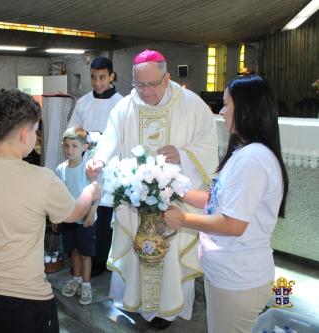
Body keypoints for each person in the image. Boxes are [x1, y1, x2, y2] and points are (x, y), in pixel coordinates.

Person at [0, 89, 100, 333]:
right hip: (23, 298)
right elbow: (74, 213)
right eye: (36, 131)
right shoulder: (41, 178)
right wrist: (91, 190)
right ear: (26, 134)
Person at [87, 49, 219, 329]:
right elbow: (110, 139)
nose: (144, 92)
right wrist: (98, 160)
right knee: (135, 255)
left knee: (169, 256)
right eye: (139, 85)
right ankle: (135, 302)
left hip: (174, 204)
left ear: (167, 77)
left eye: (151, 84)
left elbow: (209, 142)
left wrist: (183, 153)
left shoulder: (191, 104)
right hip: (135, 201)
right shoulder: (125, 106)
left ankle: (167, 310)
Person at [164, 75, 289, 333]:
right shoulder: (241, 152)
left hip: (239, 278)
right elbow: (214, 199)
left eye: (226, 104)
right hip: (226, 273)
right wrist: (175, 186)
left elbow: (233, 224)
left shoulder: (253, 159)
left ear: (246, 109)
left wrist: (183, 219)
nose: (221, 111)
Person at [68, 56, 123, 276]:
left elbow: (123, 134)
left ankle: (102, 259)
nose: (97, 82)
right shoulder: (83, 102)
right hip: (86, 164)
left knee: (104, 212)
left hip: (111, 166)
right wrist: (85, 139)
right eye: (93, 77)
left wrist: (101, 139)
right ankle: (85, 256)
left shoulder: (121, 102)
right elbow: (73, 130)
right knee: (86, 210)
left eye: (102, 77)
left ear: (111, 76)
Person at [56, 127, 99, 305]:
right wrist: (57, 216)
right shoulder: (60, 169)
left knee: (85, 253)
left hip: (86, 219)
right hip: (69, 217)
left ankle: (86, 285)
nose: (70, 150)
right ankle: (76, 280)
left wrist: (92, 211)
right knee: (73, 250)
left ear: (85, 147)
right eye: (66, 146)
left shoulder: (88, 167)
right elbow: (60, 194)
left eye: (74, 146)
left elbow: (97, 190)